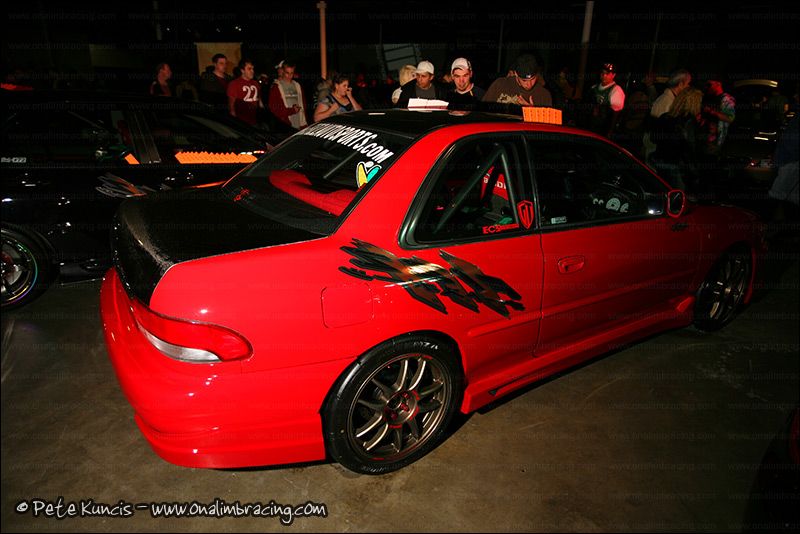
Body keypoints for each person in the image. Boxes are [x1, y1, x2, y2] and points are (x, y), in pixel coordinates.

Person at [650, 87, 704, 191]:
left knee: (663, 193)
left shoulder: (665, 117)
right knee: (677, 196)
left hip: (661, 162)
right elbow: (690, 150)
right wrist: (694, 174)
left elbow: (653, 138)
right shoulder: (689, 122)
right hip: (678, 167)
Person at [482, 54, 552, 114]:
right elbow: (482, 111)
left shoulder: (544, 95)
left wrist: (532, 112)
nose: (529, 84)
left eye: (533, 79)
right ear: (516, 74)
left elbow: (547, 124)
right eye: (524, 80)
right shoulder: (500, 84)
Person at [585, 62, 625, 138]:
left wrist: (609, 133)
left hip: (603, 132)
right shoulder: (594, 88)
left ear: (613, 75)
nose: (604, 76)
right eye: (602, 73)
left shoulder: (616, 90)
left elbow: (615, 115)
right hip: (590, 128)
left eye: (607, 74)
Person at [699, 78, 735, 156]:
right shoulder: (708, 98)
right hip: (705, 141)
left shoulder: (726, 99)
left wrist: (711, 112)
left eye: (709, 85)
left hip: (717, 142)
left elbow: (729, 118)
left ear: (718, 84)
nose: (706, 87)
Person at [268, 60, 308, 130]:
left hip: (300, 124)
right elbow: (274, 109)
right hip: (285, 126)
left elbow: (303, 105)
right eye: (287, 72)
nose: (289, 75)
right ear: (282, 71)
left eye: (291, 73)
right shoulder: (276, 87)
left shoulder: (297, 86)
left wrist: (304, 123)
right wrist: (291, 111)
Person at [227, 59, 264, 127]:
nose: (252, 71)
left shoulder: (255, 83)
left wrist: (263, 116)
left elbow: (259, 101)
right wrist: (235, 124)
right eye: (249, 69)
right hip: (242, 123)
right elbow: (231, 107)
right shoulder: (234, 84)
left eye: (252, 69)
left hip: (256, 122)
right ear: (242, 70)